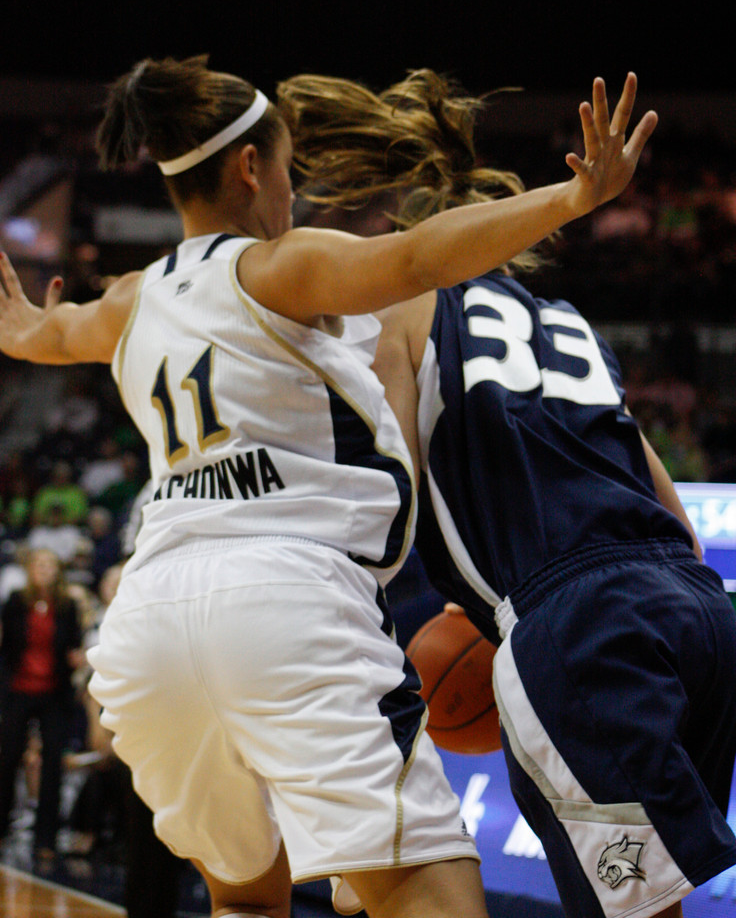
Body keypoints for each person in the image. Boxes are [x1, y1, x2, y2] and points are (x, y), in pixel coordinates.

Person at [0, 54, 655, 918]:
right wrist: (571, 200)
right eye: (284, 167)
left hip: (149, 624)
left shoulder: (130, 298)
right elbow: (421, 254)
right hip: (287, 599)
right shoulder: (279, 264)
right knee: (431, 888)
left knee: (245, 895)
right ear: (250, 166)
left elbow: (45, 336)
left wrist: (18, 327)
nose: (289, 189)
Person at [276, 67, 736, 918]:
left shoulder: (405, 306)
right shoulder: (571, 326)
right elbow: (678, 519)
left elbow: (391, 490)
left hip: (577, 623)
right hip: (699, 612)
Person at [0, 547, 84, 858]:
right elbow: (7, 647)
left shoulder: (67, 606)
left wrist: (76, 657)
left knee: (52, 766)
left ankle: (45, 839)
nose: (44, 569)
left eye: (50, 564)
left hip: (53, 693)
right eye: (39, 564)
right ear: (30, 568)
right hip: (19, 689)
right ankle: (2, 828)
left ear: (57, 570)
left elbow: (74, 645)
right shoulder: (15, 602)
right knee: (8, 759)